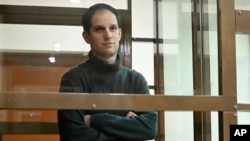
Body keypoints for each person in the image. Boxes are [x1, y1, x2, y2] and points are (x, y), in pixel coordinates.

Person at [57, 3, 158, 141]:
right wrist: (128, 132)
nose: (108, 35)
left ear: (120, 34)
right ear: (86, 37)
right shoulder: (73, 78)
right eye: (99, 29)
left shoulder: (135, 79)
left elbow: (149, 128)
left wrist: (95, 120)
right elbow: (73, 135)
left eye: (113, 28)